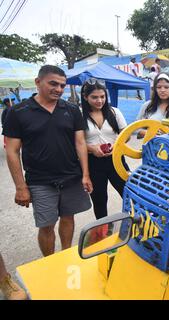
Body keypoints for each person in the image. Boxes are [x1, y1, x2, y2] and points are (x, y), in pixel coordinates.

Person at [3, 65, 93, 257]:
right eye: (53, 84)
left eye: (62, 85)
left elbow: (80, 143)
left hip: (71, 177)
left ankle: (65, 256)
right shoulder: (18, 112)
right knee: (46, 225)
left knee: (68, 218)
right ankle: (49, 262)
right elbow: (12, 151)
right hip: (40, 180)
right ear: (38, 82)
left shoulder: (71, 109)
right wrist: (20, 187)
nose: (58, 89)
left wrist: (85, 174)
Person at [81, 78, 128, 220]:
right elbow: (75, 142)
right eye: (94, 97)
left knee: (128, 193)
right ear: (85, 97)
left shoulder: (114, 112)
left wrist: (117, 144)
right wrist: (91, 148)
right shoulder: (78, 115)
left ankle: (135, 223)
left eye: (102, 96)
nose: (99, 101)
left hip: (116, 160)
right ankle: (103, 230)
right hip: (93, 163)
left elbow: (126, 134)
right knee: (99, 200)